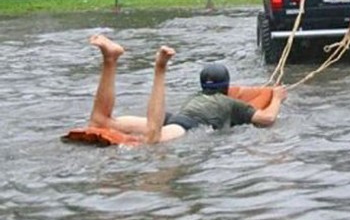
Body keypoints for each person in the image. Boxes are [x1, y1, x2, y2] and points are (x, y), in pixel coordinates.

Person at [86, 34, 287, 144]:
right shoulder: (231, 103)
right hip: (183, 127)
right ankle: (160, 69)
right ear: (226, 88)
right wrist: (277, 97)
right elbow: (267, 119)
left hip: (174, 118)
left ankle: (110, 59)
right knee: (152, 140)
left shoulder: (198, 96)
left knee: (100, 121)